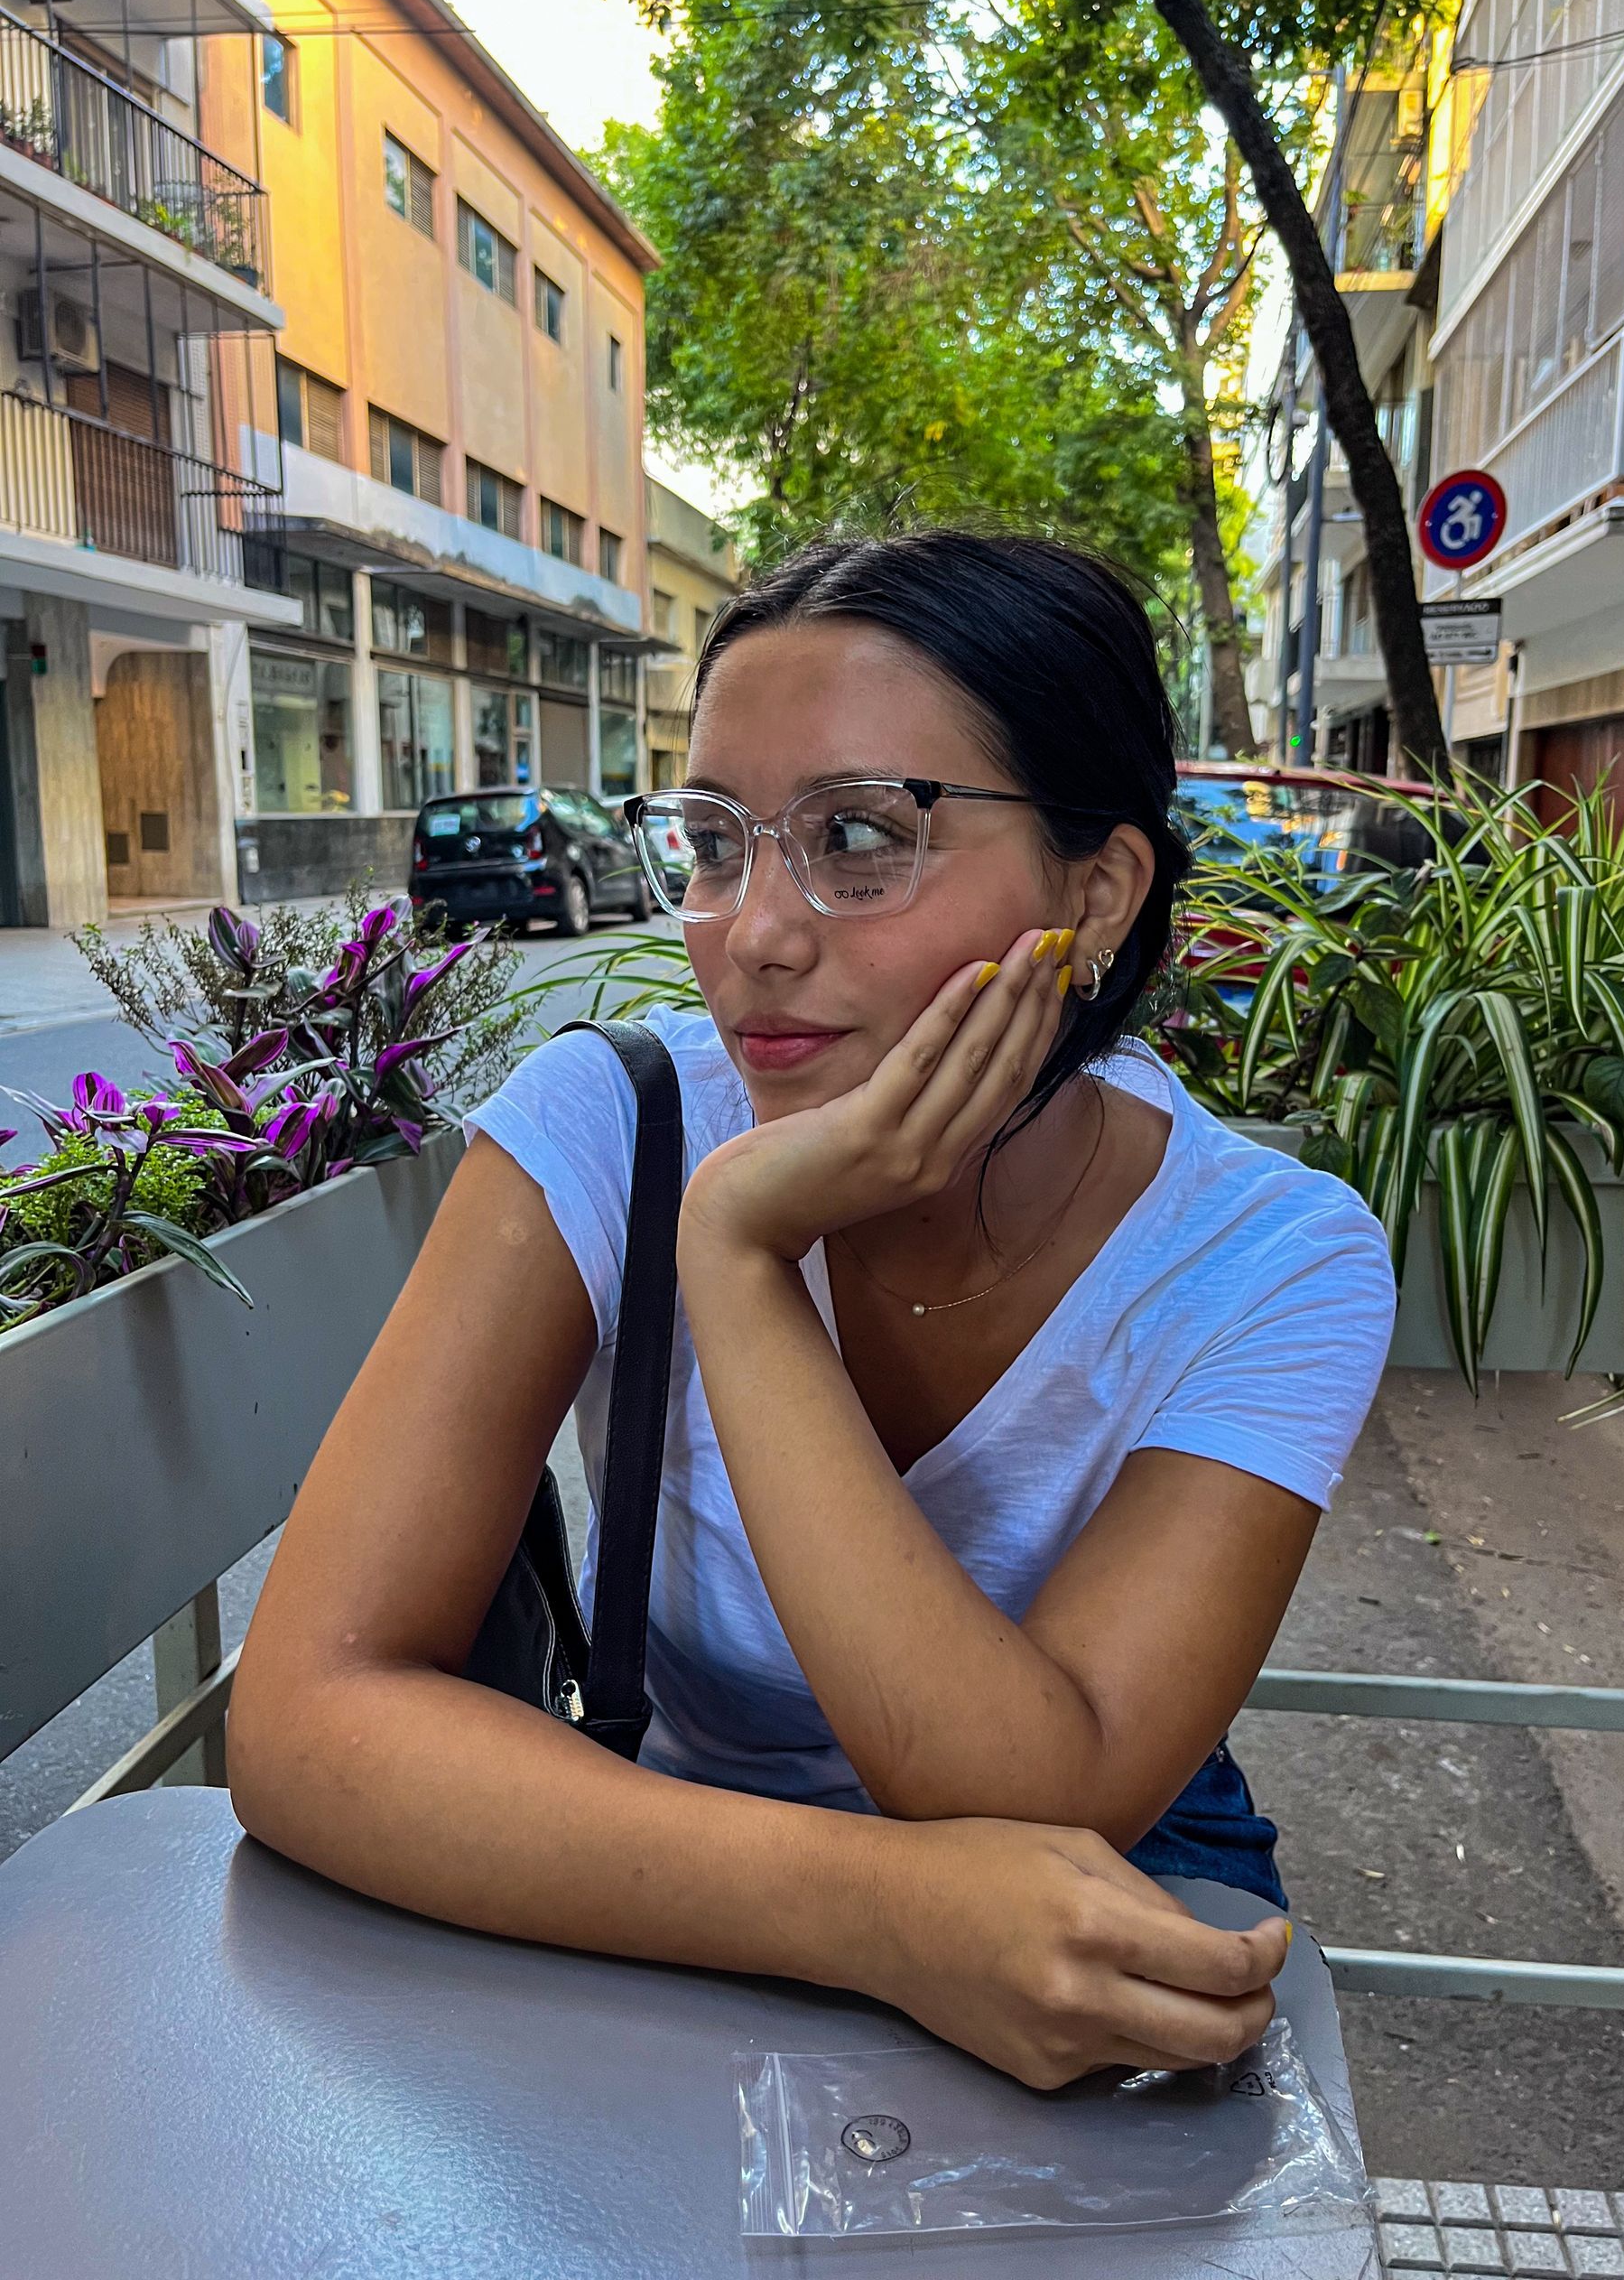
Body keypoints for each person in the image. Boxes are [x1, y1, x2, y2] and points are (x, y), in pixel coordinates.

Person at [228, 528, 1396, 2091]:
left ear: (1099, 887)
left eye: (858, 836)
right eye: (715, 839)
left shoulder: (1270, 1259)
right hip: (675, 1871)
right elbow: (306, 1720)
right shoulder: (606, 1125)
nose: (755, 932)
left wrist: (740, 1262)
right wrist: (879, 1917)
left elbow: (1038, 1797)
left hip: (1089, 1895)